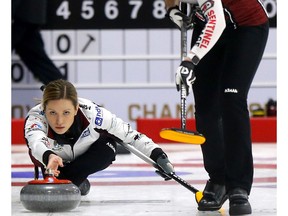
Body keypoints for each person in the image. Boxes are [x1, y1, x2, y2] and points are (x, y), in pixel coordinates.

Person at [164, 0, 269, 215]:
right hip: (209, 23)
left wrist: (190, 60)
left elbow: (216, 21)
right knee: (205, 105)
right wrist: (172, 9)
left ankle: (239, 186)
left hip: (246, 26)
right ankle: (218, 179)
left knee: (232, 99)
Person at [24, 79, 175, 195]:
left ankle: (71, 180)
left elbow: (131, 136)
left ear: (76, 108)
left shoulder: (96, 115)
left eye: (66, 112)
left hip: (83, 157)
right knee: (36, 150)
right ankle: (75, 181)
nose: (59, 121)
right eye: (52, 113)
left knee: (107, 146)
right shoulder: (36, 117)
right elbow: (35, 142)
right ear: (44, 109)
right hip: (48, 158)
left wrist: (159, 155)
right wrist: (49, 156)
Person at [12, 0, 65, 85]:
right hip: (27, 12)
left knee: (39, 61)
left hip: (20, 13)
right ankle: (65, 93)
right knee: (39, 61)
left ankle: (64, 93)